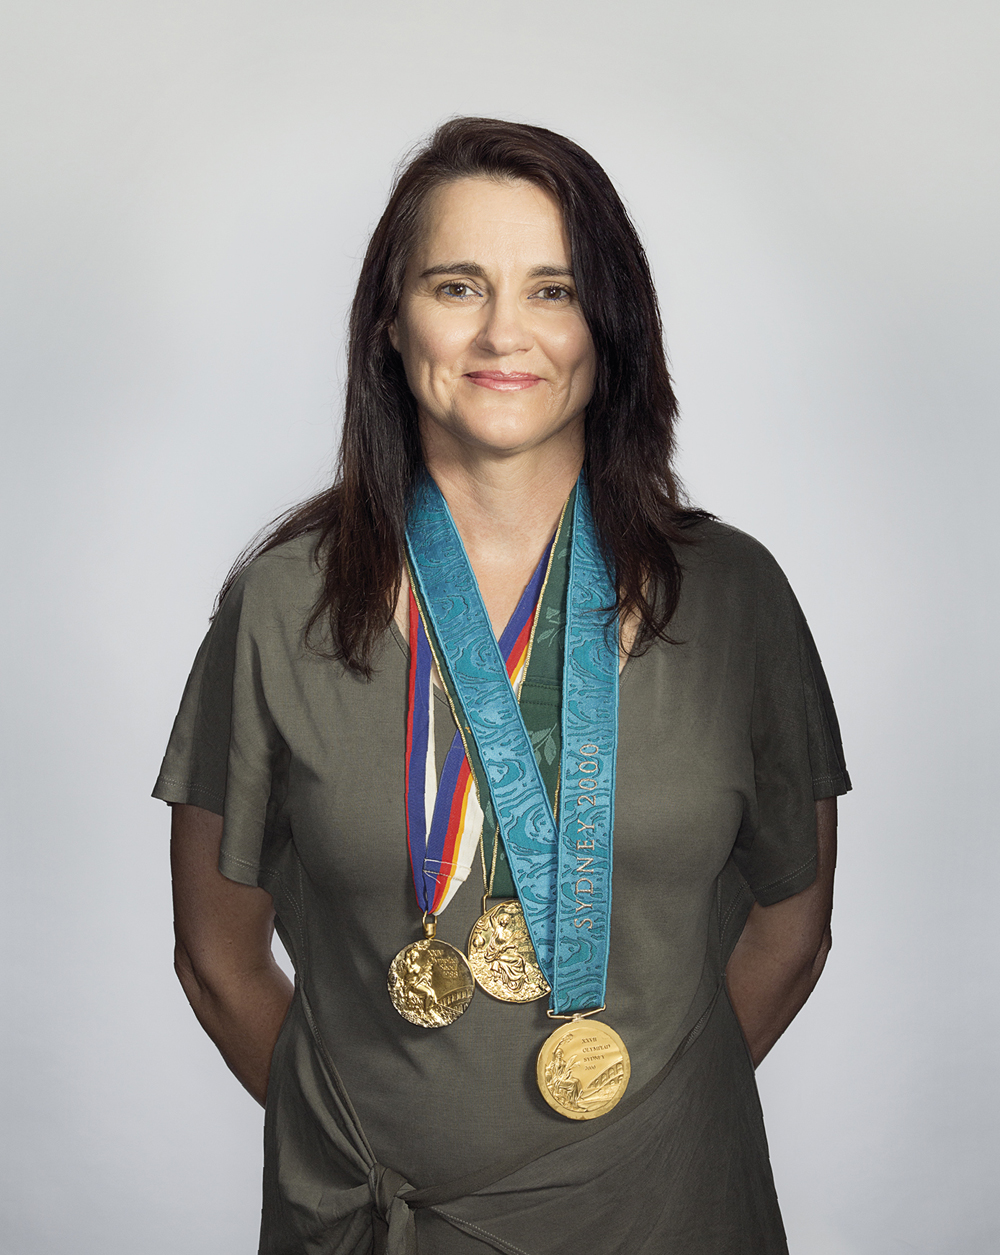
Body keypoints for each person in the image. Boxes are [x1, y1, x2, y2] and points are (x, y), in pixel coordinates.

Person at [155, 117, 850, 1254]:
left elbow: (795, 923)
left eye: (552, 290)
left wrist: (637, 1130)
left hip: (671, 1212)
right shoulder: (281, 606)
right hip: (379, 1223)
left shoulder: (734, 596)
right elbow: (217, 955)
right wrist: (363, 1139)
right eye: (456, 284)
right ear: (391, 321)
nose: (501, 333)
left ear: (606, 327)